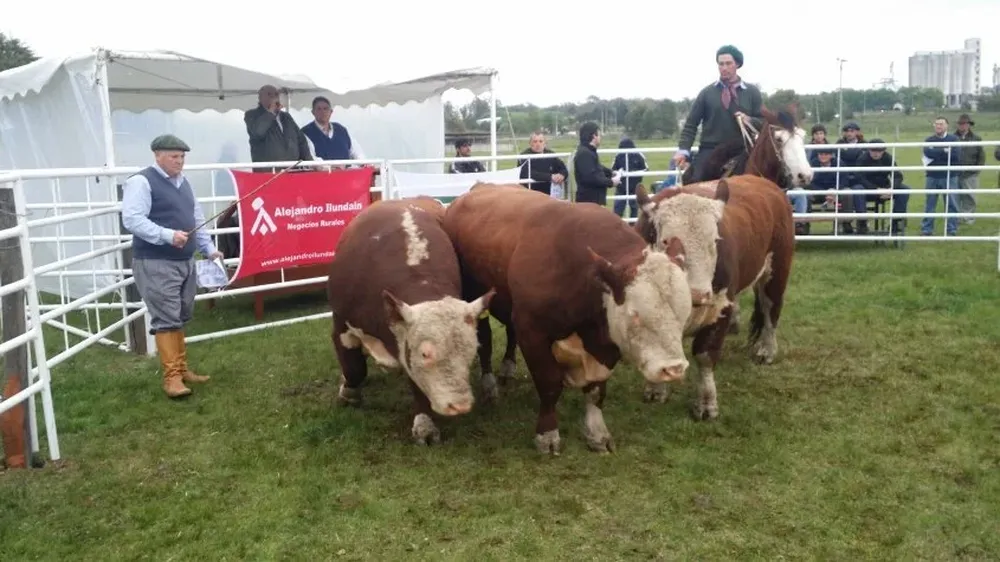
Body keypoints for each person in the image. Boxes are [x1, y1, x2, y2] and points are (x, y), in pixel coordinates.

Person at [121, 134, 224, 399]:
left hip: (184, 260)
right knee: (167, 316)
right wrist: (167, 235)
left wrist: (209, 249)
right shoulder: (142, 181)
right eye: (173, 156)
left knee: (180, 313)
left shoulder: (184, 183)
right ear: (157, 155)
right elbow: (132, 219)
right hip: (155, 261)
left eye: (182, 157)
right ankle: (172, 378)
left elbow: (195, 218)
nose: (179, 162)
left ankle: (181, 368)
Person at [672, 44, 764, 182]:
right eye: (721, 64)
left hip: (742, 150)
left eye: (728, 63)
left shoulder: (752, 92)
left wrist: (749, 120)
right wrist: (683, 150)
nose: (724, 68)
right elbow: (691, 124)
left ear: (737, 64)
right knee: (693, 182)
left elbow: (763, 122)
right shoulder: (707, 93)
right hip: (710, 149)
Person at [243, 84, 313, 173]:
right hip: (268, 173)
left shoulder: (286, 117)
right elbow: (258, 132)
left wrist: (309, 162)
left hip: (292, 171)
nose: (273, 97)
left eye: (276, 94)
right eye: (269, 94)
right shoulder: (252, 115)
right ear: (260, 98)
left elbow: (301, 140)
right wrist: (270, 112)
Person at [572, 121, 619, 206]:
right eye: (599, 135)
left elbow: (596, 167)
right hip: (589, 203)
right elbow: (591, 177)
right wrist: (611, 182)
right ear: (594, 136)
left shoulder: (588, 151)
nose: (600, 137)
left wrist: (611, 172)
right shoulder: (585, 153)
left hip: (592, 201)